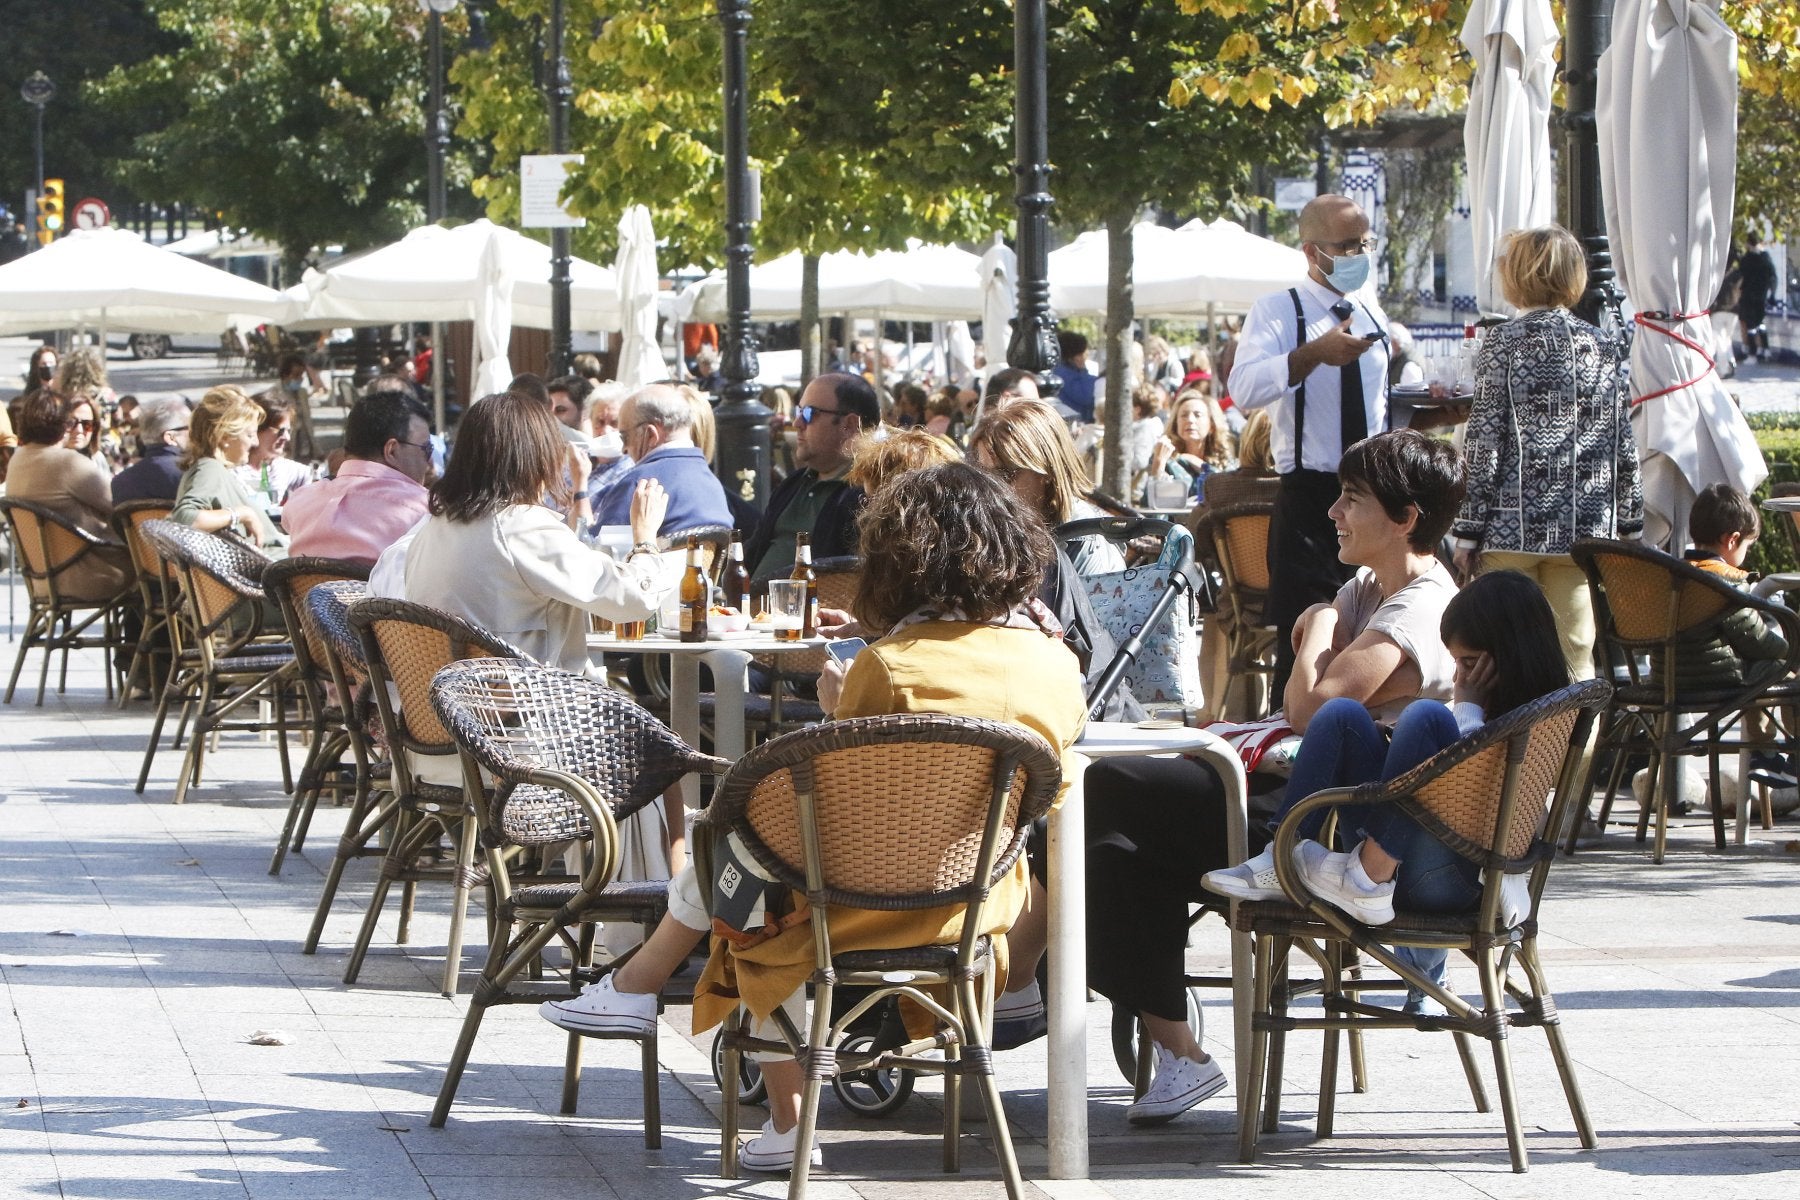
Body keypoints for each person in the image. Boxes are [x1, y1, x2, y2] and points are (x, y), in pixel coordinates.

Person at [538, 462, 1088, 1172]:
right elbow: (1053, 797)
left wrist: (835, 709)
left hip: (857, 903)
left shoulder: (889, 667)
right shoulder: (1052, 664)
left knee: (748, 874)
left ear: (901, 557)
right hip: (978, 908)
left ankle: (772, 1104)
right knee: (747, 863)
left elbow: (844, 800)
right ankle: (641, 993)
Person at [1033, 430, 1464, 1126]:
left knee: (1099, 789)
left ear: (1406, 518)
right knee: (1108, 848)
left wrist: (1321, 621)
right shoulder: (1372, 587)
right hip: (1293, 792)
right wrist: (1325, 635)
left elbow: (1309, 706)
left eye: (1351, 501)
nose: (1332, 514)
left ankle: (1025, 978)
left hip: (1320, 826)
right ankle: (1178, 1053)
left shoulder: (1416, 605)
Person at [1207, 571, 1571, 1011]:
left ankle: (1366, 878)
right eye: (1455, 663)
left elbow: (1477, 794)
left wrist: (1467, 705)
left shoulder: (1537, 717)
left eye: (1469, 663)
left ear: (1508, 657)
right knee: (1342, 715)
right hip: (1417, 862)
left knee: (1426, 718)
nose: (1460, 676)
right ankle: (1283, 856)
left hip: (1462, 879)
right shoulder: (1514, 705)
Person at [1450, 224, 1643, 681]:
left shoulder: (1502, 343)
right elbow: (1621, 441)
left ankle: (1516, 751)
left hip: (1509, 530)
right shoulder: (1603, 343)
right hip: (1583, 531)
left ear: (1513, 276)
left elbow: (1484, 443)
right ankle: (1571, 750)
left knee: (1504, 661)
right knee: (1575, 658)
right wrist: (1631, 526)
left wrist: (1466, 532)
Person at [372, 391, 671, 676]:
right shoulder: (522, 527)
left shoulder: (430, 530)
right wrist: (645, 540)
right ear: (535, 458)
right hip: (527, 718)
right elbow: (633, 601)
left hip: (443, 717)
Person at [1231, 194, 1395, 693]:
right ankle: (1289, 743)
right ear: (1311, 251)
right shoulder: (1280, 310)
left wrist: (1430, 414)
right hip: (1310, 496)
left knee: (1375, 629)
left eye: (1364, 243)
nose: (1358, 255)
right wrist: (1314, 354)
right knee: (1307, 636)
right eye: (1345, 246)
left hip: (1375, 491)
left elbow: (1377, 406)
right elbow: (1244, 389)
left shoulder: (1372, 312)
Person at [743, 372, 878, 582]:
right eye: (798, 411)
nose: (797, 422)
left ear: (850, 425)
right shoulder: (795, 483)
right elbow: (750, 553)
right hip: (749, 608)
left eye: (809, 413)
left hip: (808, 611)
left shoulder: (868, 494)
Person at [967, 399, 1125, 576]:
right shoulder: (986, 529)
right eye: (983, 475)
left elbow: (1094, 603)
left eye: (1005, 473)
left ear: (1047, 471)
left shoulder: (1085, 542)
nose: (993, 487)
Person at [3, 389, 131, 599]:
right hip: (91, 575)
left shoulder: (18, 460)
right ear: (64, 425)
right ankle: (147, 631)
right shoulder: (67, 462)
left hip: (43, 579)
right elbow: (119, 503)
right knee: (154, 571)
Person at [283, 391, 434, 565]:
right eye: (427, 448)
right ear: (392, 450)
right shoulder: (425, 512)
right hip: (385, 592)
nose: (430, 460)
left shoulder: (299, 501)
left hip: (305, 592)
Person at [1677, 483, 1789, 690]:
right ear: (1732, 540)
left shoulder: (1673, 573)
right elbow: (1759, 642)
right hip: (1719, 677)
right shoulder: (1727, 581)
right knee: (1787, 668)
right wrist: (1790, 648)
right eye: (1747, 545)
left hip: (1666, 677)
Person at [594, 384, 733, 535]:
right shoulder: (712, 484)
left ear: (651, 435)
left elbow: (597, 548)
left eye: (624, 437)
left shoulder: (639, 485)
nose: (624, 449)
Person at [170, 386, 283, 548]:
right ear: (224, 438)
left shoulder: (210, 468)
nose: (255, 442)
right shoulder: (210, 469)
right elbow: (184, 518)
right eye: (250, 435)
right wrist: (242, 514)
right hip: (276, 568)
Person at [1146, 386, 1236, 504]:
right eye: (1184, 415)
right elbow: (1155, 511)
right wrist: (1158, 465)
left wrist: (1199, 464)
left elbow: (1231, 490)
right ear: (1176, 424)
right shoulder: (1168, 461)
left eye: (1197, 415)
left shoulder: (1224, 460)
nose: (1190, 420)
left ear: (1212, 426)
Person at [111, 397, 193, 504]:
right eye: (190, 427)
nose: (194, 433)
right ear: (170, 437)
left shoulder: (120, 482)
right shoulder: (192, 475)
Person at [236, 391, 311, 504]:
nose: (287, 437)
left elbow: (314, 480)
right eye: (280, 431)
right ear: (257, 428)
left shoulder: (282, 467)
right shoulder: (234, 472)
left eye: (288, 431)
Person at [582, 380, 635, 507]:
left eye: (614, 423)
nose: (605, 430)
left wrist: (580, 485)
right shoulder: (579, 461)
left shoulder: (632, 471)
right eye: (600, 422)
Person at [1736, 231, 1778, 362]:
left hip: (1748, 295)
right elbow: (1773, 277)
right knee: (1760, 322)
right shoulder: (1765, 258)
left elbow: (1741, 275)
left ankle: (1752, 351)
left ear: (1748, 243)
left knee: (1749, 324)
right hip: (1762, 295)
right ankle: (1764, 349)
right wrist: (1773, 294)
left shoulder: (1746, 259)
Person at [1051, 330, 1098, 422]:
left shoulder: (1063, 371)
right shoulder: (1064, 373)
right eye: (1082, 353)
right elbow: (1086, 397)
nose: (1085, 357)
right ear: (1074, 356)